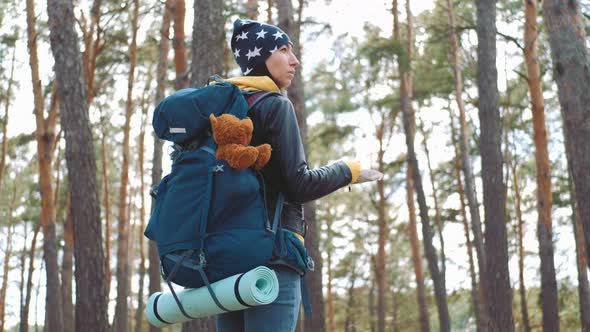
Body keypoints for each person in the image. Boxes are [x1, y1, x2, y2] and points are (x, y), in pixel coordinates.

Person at [215, 18, 381, 332]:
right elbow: (300, 184)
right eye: (282, 49)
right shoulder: (275, 105)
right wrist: (348, 170)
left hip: (228, 257)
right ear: (261, 58)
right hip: (273, 251)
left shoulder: (226, 108)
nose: (295, 60)